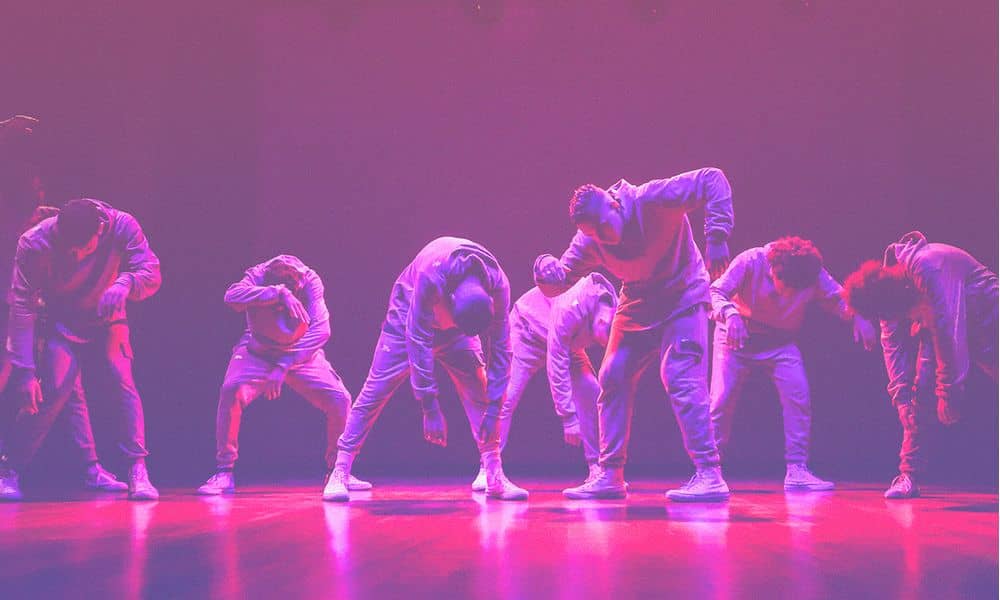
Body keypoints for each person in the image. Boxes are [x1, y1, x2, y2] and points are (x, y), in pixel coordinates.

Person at [535, 167, 734, 501]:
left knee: (681, 377)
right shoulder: (590, 239)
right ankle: (610, 474)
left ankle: (710, 474)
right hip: (639, 303)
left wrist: (717, 236)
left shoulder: (652, 199)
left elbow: (712, 179)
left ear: (614, 204)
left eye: (603, 227)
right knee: (612, 375)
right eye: (593, 234)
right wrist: (544, 270)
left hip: (683, 295)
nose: (601, 239)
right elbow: (560, 282)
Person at [327, 237, 526, 502]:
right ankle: (340, 470)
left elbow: (502, 349)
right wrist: (429, 405)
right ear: (450, 299)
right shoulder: (431, 275)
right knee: (375, 392)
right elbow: (418, 338)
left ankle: (494, 475)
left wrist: (493, 411)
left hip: (457, 331)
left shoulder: (498, 284)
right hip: (407, 320)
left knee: (479, 390)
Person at [0, 198, 161, 501]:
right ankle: (9, 469)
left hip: (108, 317)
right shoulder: (34, 242)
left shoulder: (122, 225)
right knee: (53, 391)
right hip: (64, 321)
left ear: (100, 230)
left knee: (121, 380)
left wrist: (126, 282)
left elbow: (151, 271)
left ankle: (137, 469)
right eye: (67, 246)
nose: (73, 254)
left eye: (82, 247)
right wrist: (25, 371)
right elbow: (22, 306)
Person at [709, 236, 877, 491]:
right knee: (721, 399)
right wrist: (729, 313)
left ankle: (797, 469)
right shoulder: (751, 260)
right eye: (784, 286)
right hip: (736, 337)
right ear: (774, 271)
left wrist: (859, 316)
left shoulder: (811, 271)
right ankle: (709, 469)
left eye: (796, 292)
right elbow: (716, 291)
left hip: (779, 342)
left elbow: (838, 297)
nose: (787, 295)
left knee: (798, 397)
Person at [197, 255, 371, 497]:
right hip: (258, 351)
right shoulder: (258, 274)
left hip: (299, 355)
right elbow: (231, 296)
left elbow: (322, 330)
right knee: (231, 390)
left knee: (340, 398)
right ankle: (224, 471)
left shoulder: (310, 281)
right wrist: (276, 294)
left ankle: (338, 470)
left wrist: (284, 365)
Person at [844, 231, 998, 499]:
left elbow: (948, 326)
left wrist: (948, 392)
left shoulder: (926, 266)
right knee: (920, 394)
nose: (900, 320)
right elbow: (891, 344)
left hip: (989, 315)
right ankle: (909, 475)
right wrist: (902, 399)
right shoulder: (887, 290)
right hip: (940, 322)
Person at [472, 273, 617, 497]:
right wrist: (568, 417)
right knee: (505, 398)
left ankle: (597, 467)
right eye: (598, 339)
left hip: (568, 344)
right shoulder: (570, 309)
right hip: (527, 332)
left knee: (591, 391)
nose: (598, 343)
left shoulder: (614, 311)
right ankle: (487, 468)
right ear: (600, 322)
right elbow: (556, 362)